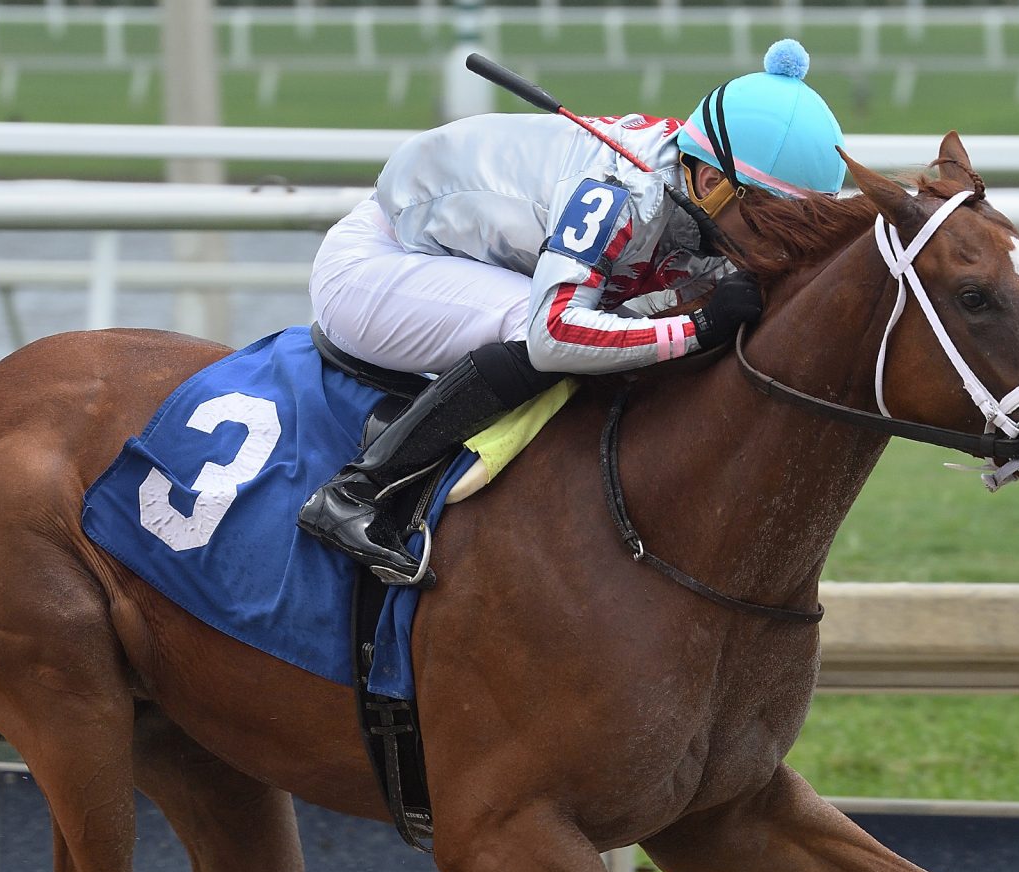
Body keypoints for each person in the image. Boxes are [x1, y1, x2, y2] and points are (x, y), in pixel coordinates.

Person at [298, 39, 849, 582]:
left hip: (456, 255)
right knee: (537, 328)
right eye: (779, 221)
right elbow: (554, 333)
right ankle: (356, 492)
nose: (784, 242)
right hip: (379, 263)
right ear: (712, 182)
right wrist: (697, 327)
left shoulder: (700, 192)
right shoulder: (619, 192)